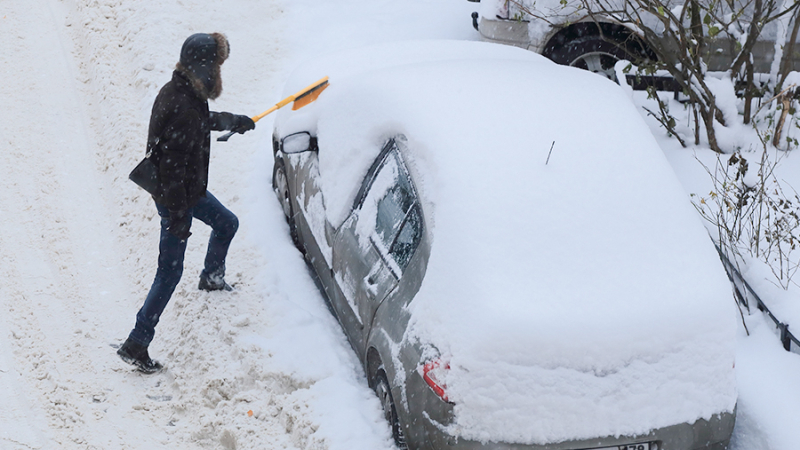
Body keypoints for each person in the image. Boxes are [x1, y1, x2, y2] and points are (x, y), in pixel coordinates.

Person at [117, 32, 255, 373]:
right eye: (217, 67)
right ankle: (137, 341)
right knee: (169, 273)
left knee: (227, 223)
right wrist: (178, 217)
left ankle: (211, 276)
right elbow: (173, 168)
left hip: (187, 192)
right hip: (177, 197)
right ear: (205, 68)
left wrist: (232, 121)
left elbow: (200, 121)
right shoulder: (182, 105)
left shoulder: (182, 91)